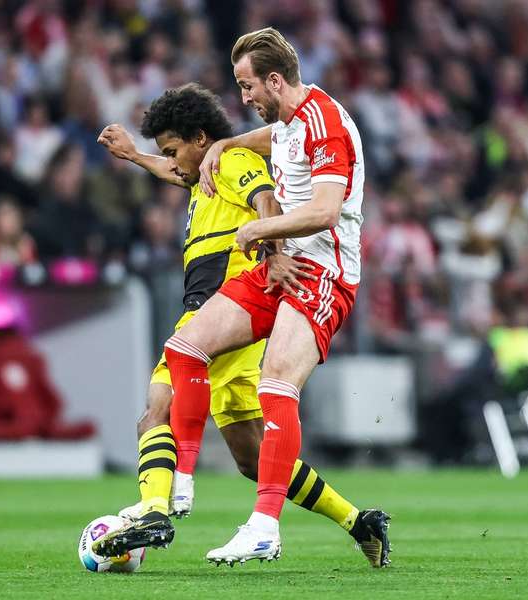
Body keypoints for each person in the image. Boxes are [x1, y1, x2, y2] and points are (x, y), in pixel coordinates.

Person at [103, 29, 391, 567]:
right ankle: (181, 485)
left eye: (247, 86)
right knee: (188, 347)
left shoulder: (325, 122)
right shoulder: (285, 125)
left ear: (274, 80)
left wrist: (262, 233)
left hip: (323, 272)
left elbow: (326, 210)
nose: (243, 99)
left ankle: (258, 527)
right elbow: (265, 145)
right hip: (278, 271)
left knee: (275, 382)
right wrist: (225, 144)